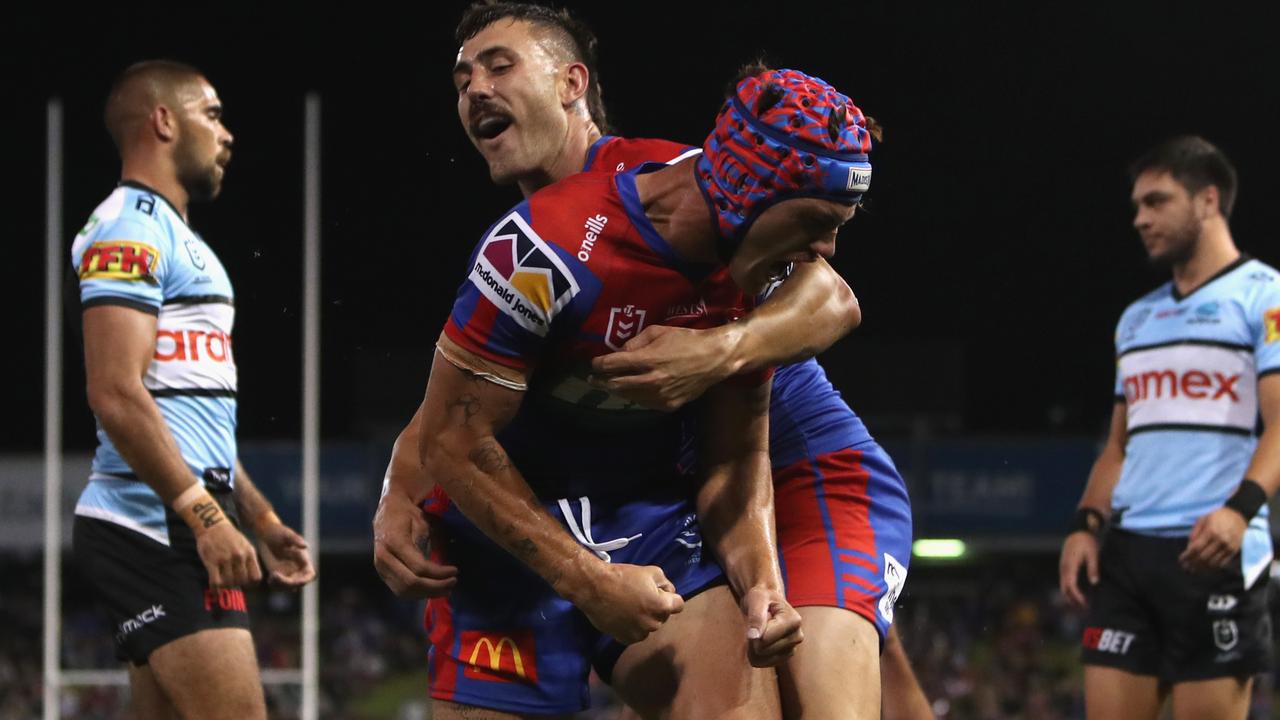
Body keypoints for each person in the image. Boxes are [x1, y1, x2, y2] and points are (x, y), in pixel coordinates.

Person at [372, 4, 928, 719]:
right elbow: (459, 408)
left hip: (790, 459)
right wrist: (399, 483)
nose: (475, 87)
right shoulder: (542, 240)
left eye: (499, 65)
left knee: (830, 690)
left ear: (572, 83)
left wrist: (715, 350)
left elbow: (834, 300)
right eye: (462, 77)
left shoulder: (685, 182)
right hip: (657, 477)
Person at [70, 60, 315, 720]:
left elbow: (189, 419)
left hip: (174, 517)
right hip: (152, 524)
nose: (227, 134)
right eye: (212, 114)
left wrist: (257, 518)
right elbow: (115, 392)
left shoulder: (176, 237)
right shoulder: (128, 229)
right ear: (163, 121)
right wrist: (203, 515)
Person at [1058, 136, 1277, 720]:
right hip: (1128, 557)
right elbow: (1118, 446)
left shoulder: (1266, 297)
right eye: (1137, 205)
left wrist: (1240, 509)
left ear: (1208, 200)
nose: (1140, 219)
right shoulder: (1136, 320)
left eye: (1156, 201)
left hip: (1212, 551)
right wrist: (1085, 524)